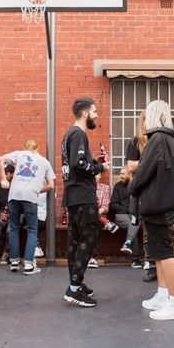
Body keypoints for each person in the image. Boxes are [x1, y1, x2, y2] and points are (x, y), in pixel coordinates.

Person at [129, 100, 174, 320]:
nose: (143, 122)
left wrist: (132, 187)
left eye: (146, 117)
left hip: (157, 204)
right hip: (162, 203)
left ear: (153, 116)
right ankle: (163, 296)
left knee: (165, 253)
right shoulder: (170, 139)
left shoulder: (157, 139)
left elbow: (143, 171)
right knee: (159, 253)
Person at [127, 111, 174, 284]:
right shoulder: (136, 142)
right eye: (143, 120)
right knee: (149, 235)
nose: (146, 123)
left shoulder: (162, 139)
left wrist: (150, 162)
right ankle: (152, 267)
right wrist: (150, 161)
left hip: (165, 193)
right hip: (147, 195)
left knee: (173, 232)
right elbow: (131, 166)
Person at [61, 97, 109, 307]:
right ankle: (74, 288)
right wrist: (100, 168)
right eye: (94, 112)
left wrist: (94, 163)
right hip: (82, 196)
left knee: (75, 241)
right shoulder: (79, 134)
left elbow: (77, 163)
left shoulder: (69, 134)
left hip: (73, 196)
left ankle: (76, 285)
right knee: (88, 239)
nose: (96, 115)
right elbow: (78, 164)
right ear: (85, 113)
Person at [0, 139, 55, 275]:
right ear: (37, 148)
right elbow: (51, 185)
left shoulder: (19, 154)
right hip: (30, 197)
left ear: (25, 147)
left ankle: (14, 261)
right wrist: (37, 190)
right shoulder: (45, 162)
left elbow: (0, 159)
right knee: (32, 230)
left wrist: (3, 179)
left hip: (14, 195)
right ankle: (28, 265)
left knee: (13, 228)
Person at [111, 165, 142, 267]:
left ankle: (128, 244)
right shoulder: (118, 186)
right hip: (120, 215)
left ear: (130, 175)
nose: (120, 176)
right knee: (132, 225)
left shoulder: (137, 187)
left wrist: (134, 212)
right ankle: (135, 259)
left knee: (133, 224)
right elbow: (113, 205)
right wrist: (129, 210)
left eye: (123, 174)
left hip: (135, 215)